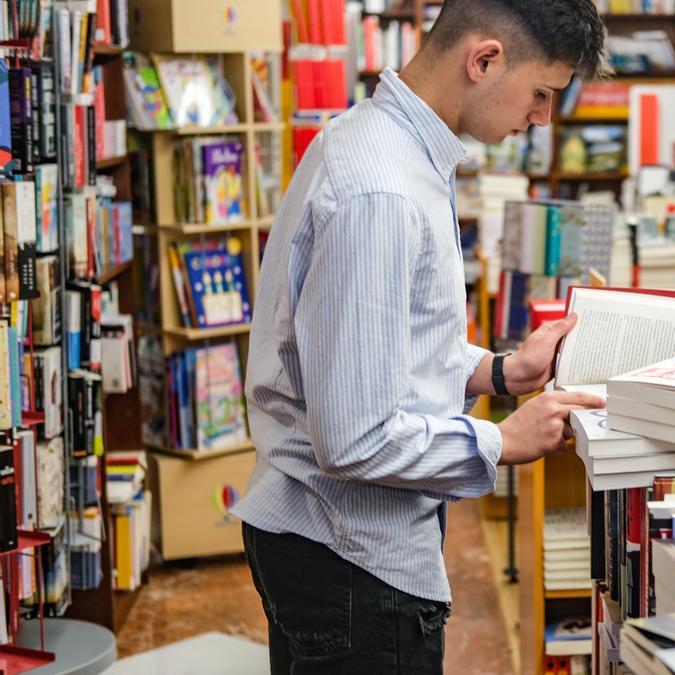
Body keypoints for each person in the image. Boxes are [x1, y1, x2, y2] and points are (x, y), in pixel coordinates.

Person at [231, 1, 608, 672]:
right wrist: (502, 440)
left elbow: (379, 347)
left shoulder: (383, 145)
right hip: (349, 554)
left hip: (332, 542)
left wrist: (498, 371)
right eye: (542, 92)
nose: (543, 117)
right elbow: (354, 435)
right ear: (484, 59)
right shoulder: (383, 190)